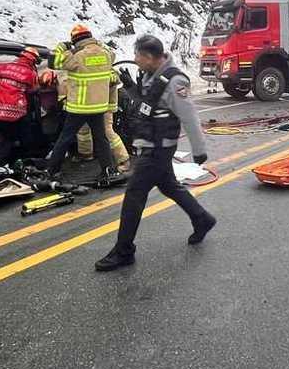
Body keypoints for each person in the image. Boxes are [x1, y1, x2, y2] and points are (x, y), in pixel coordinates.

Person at [95, 34, 216, 272]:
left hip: (159, 147)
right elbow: (147, 106)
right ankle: (202, 218)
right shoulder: (151, 75)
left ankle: (124, 251)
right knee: (168, 185)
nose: (135, 59)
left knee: (134, 195)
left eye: (138, 55)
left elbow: (189, 115)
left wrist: (199, 150)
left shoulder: (174, 81)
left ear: (149, 57)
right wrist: (130, 87)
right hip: (151, 144)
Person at [43, 24, 117, 180]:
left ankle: (52, 170)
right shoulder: (106, 54)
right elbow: (112, 54)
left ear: (75, 40)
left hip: (79, 107)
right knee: (101, 138)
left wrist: (61, 46)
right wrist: (98, 44)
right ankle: (109, 170)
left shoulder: (76, 57)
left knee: (65, 138)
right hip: (98, 106)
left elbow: (52, 62)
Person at [0, 48, 41, 175]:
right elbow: (33, 90)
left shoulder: (3, 67)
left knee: (7, 137)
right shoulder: (30, 73)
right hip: (16, 112)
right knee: (17, 137)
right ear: (33, 60)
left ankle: (4, 162)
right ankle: (0, 164)